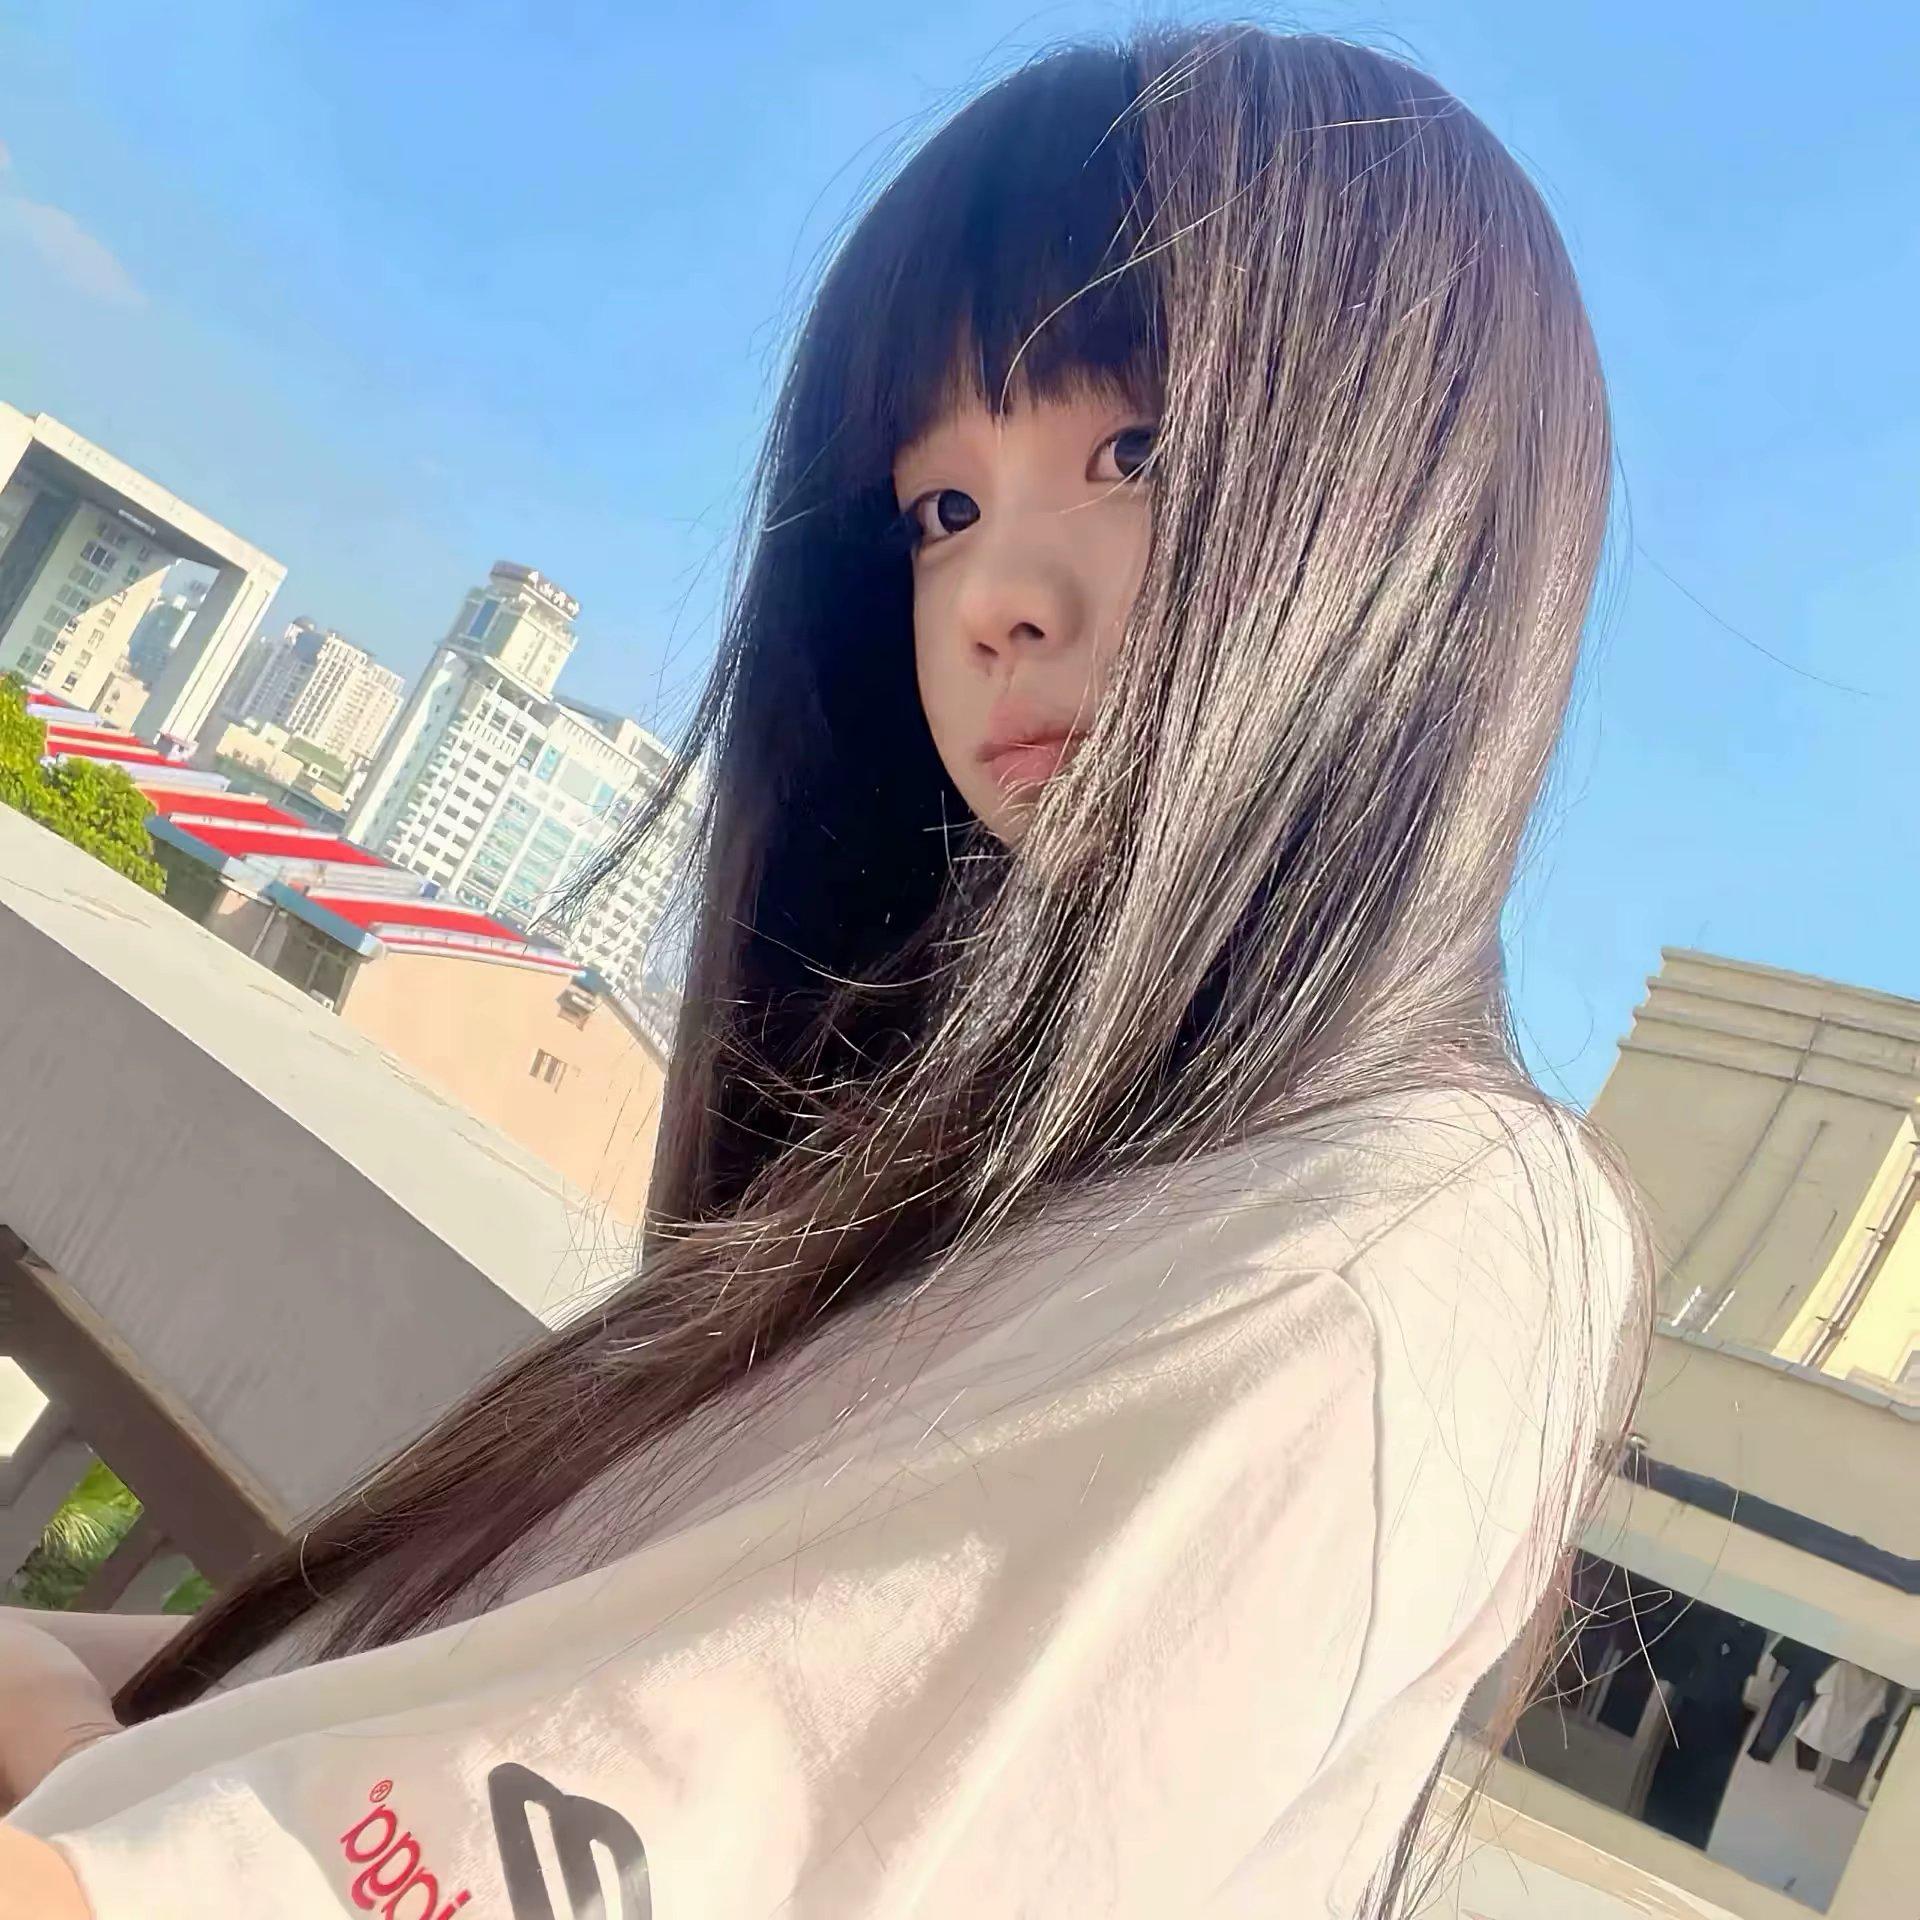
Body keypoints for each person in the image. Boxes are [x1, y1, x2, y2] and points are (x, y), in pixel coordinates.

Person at [0, 26, 1646, 1918]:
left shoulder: (1380, 1258)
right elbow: (473, 1713)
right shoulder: (1118, 1168)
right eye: (942, 508)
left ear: (1426, 517)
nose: (992, 597)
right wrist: (75, 1701)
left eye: (1137, 452)